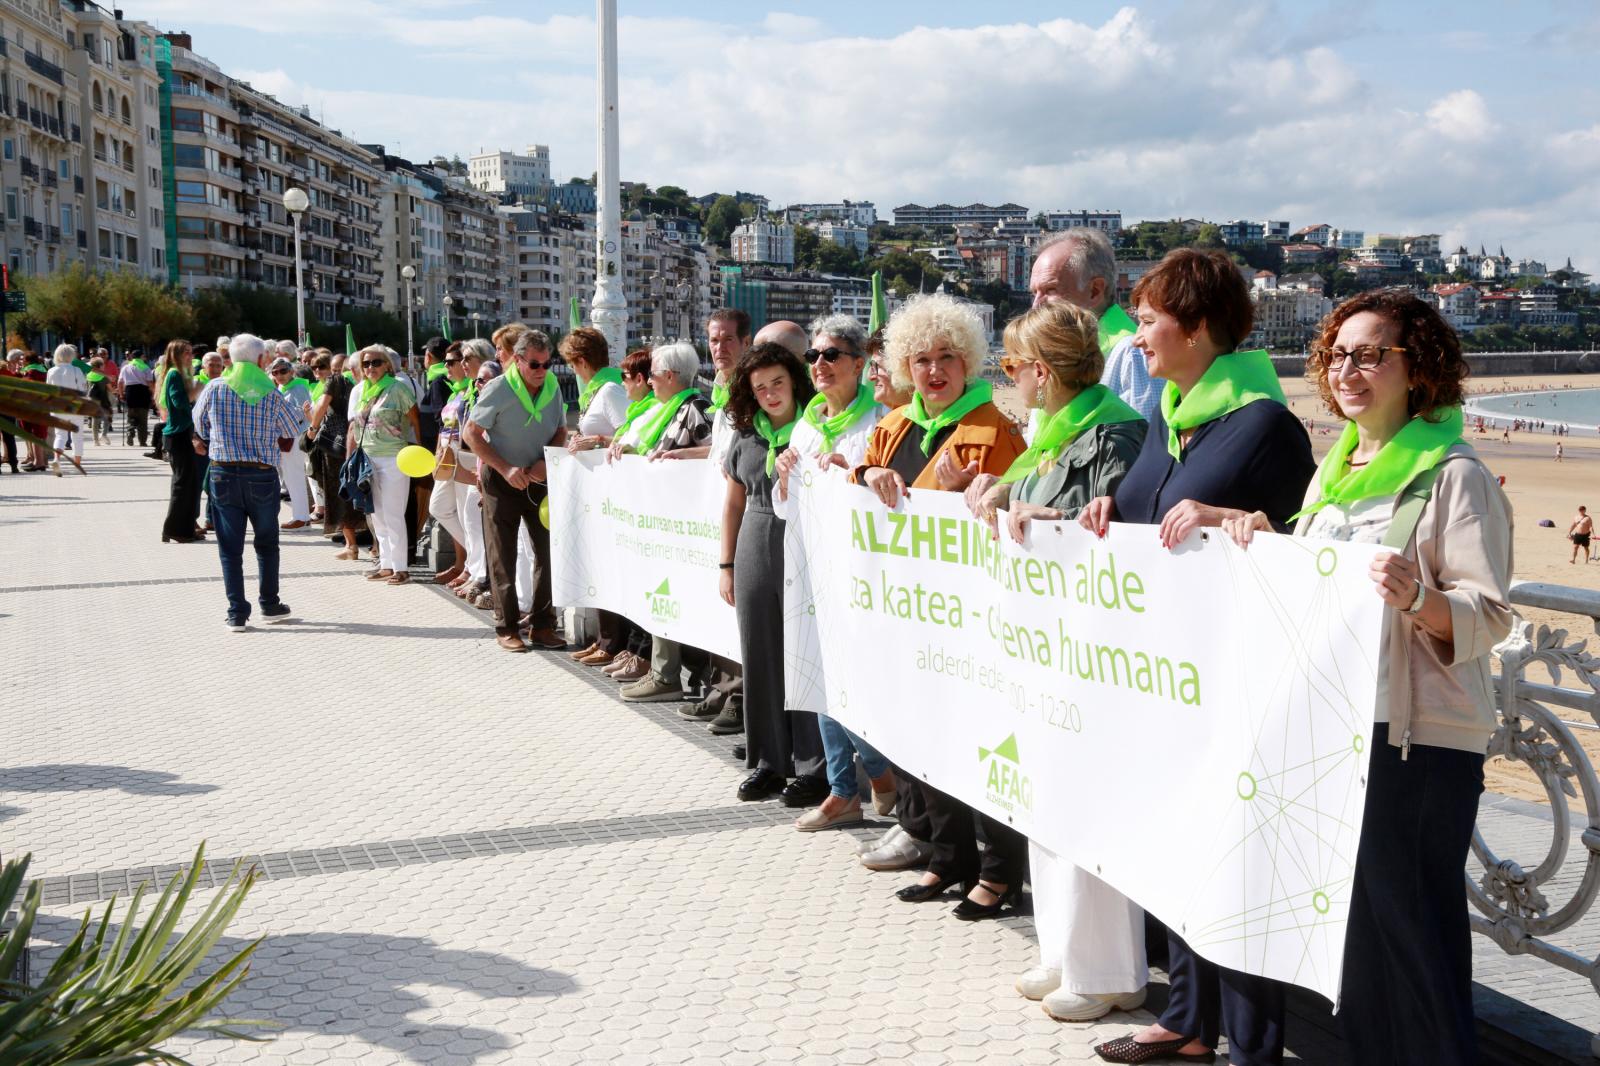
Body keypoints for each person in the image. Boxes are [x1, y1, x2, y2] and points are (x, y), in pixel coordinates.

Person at [1222, 288, 1512, 1066]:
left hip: (1421, 740)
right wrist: (1264, 536)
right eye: (1339, 354)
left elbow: (1488, 616)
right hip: (1338, 731)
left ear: (1417, 369)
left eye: (1372, 353)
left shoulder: (1454, 475)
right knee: (1354, 932)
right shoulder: (1334, 471)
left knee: (1414, 927)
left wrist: (1417, 596)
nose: (1350, 369)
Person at [1080, 248, 1314, 1066]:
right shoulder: (1170, 415)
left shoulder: (1265, 424)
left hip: (1237, 683)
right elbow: (1156, 505)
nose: (1137, 336)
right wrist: (1117, 503)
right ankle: (1186, 1020)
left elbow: (1301, 549)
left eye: (1149, 321)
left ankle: (1251, 1045)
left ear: (1202, 325)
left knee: (1237, 868)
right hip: (1164, 678)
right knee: (1175, 846)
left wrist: (1237, 521)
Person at [963, 301, 1151, 1022]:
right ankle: (1062, 949)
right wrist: (1003, 491)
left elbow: (1115, 531)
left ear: (1042, 371)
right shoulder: (1051, 431)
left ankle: (1108, 972)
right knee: (1045, 799)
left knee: (1090, 803)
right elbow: (1039, 496)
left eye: (1013, 367)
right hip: (1042, 647)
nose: (1010, 380)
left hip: (1090, 651)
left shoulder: (1114, 432)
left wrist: (1054, 521)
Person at [850, 293, 1031, 920]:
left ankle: (1000, 869)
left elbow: (1009, 521)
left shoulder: (993, 431)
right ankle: (947, 854)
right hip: (909, 611)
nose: (934, 370)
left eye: (947, 357)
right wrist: (866, 476)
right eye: (921, 359)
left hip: (972, 621)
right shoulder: (896, 425)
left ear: (969, 362)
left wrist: (957, 495)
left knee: (982, 743)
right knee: (924, 735)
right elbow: (860, 475)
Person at [770, 313, 897, 830]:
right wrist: (783, 476)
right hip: (816, 570)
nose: (819, 365)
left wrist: (856, 477)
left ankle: (882, 776)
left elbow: (895, 498)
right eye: (813, 356)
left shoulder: (882, 419)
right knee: (821, 678)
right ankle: (844, 791)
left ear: (859, 364)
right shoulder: (808, 422)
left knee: (857, 682)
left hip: (866, 574)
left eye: (831, 356)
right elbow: (787, 510)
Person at [718, 341, 829, 805]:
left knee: (806, 656)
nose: (769, 394)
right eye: (759, 387)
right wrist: (726, 565)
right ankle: (769, 761)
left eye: (777, 383)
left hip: (806, 543)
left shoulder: (817, 425)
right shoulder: (745, 435)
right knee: (759, 653)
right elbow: (733, 501)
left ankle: (814, 767)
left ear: (794, 381)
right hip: (755, 542)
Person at [609, 341, 714, 694]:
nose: (649, 381)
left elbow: (715, 453)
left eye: (652, 374)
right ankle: (666, 672)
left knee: (672, 599)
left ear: (669, 375)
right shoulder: (663, 409)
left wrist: (683, 458)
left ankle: (670, 675)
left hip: (683, 524)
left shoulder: (694, 408)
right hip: (662, 523)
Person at [462, 329, 568, 652]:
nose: (542, 371)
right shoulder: (498, 388)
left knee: (548, 554)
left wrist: (545, 463)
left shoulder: (552, 386)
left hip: (538, 480)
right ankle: (506, 626)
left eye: (547, 364)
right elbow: (471, 433)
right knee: (502, 556)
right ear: (518, 360)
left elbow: (562, 430)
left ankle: (542, 625)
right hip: (502, 481)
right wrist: (505, 468)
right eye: (535, 364)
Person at [192, 338, 303, 631]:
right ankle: (269, 603)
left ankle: (236, 612)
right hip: (261, 475)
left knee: (230, 547)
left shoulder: (215, 387)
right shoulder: (271, 392)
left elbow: (199, 425)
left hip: (223, 473)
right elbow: (292, 429)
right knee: (266, 542)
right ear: (259, 360)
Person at [1030, 226, 1163, 420]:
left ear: (1095, 291)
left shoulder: (1133, 353)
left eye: (1050, 290)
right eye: (1034, 293)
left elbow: (1145, 443)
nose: (1036, 306)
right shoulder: (1064, 353)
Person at [347, 345, 420, 585]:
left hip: (393, 457)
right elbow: (355, 427)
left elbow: (415, 419)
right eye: (365, 363)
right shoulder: (363, 390)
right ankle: (387, 564)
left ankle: (401, 568)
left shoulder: (397, 388)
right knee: (376, 514)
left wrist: (419, 450)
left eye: (376, 362)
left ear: (387, 365)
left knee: (393, 513)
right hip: (368, 458)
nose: (370, 368)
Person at [428, 338, 487, 587]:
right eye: (451, 361)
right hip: (448, 454)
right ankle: (475, 562)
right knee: (441, 508)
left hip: (466, 455)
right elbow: (444, 426)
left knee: (468, 514)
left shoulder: (475, 389)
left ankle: (476, 568)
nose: (452, 365)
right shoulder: (457, 391)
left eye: (458, 360)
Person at [305, 352, 360, 559]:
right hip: (357, 442)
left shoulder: (334, 382)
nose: (324, 372)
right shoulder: (363, 385)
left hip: (335, 445)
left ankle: (351, 545)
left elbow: (321, 407)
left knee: (339, 493)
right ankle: (369, 545)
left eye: (329, 368)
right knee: (358, 491)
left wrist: (312, 429)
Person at [268, 357, 313, 529]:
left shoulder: (298, 388)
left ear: (291, 372)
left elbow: (303, 413)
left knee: (294, 477)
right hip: (287, 437)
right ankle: (301, 515)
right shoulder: (281, 387)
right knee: (291, 477)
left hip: (294, 436)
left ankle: (301, 516)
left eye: (283, 371)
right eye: (275, 372)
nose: (279, 375)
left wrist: (280, 410)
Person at [45, 345, 88, 475]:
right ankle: (77, 463)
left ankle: (57, 459)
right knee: (77, 436)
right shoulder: (77, 370)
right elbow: (83, 388)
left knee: (60, 435)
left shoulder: (51, 371)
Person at [119, 348, 156, 449]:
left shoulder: (125, 367)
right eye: (144, 356)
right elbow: (150, 383)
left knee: (131, 415)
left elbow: (120, 382)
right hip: (142, 392)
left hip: (130, 392)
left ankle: (130, 431)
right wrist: (154, 394)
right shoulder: (145, 367)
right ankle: (142, 441)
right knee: (143, 418)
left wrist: (121, 394)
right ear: (141, 356)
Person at [85, 356, 114, 445]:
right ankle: (104, 434)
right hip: (103, 398)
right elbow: (110, 389)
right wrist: (115, 391)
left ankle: (95, 440)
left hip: (92, 399)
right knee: (108, 416)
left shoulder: (89, 375)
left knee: (95, 419)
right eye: (103, 364)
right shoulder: (103, 377)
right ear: (100, 366)